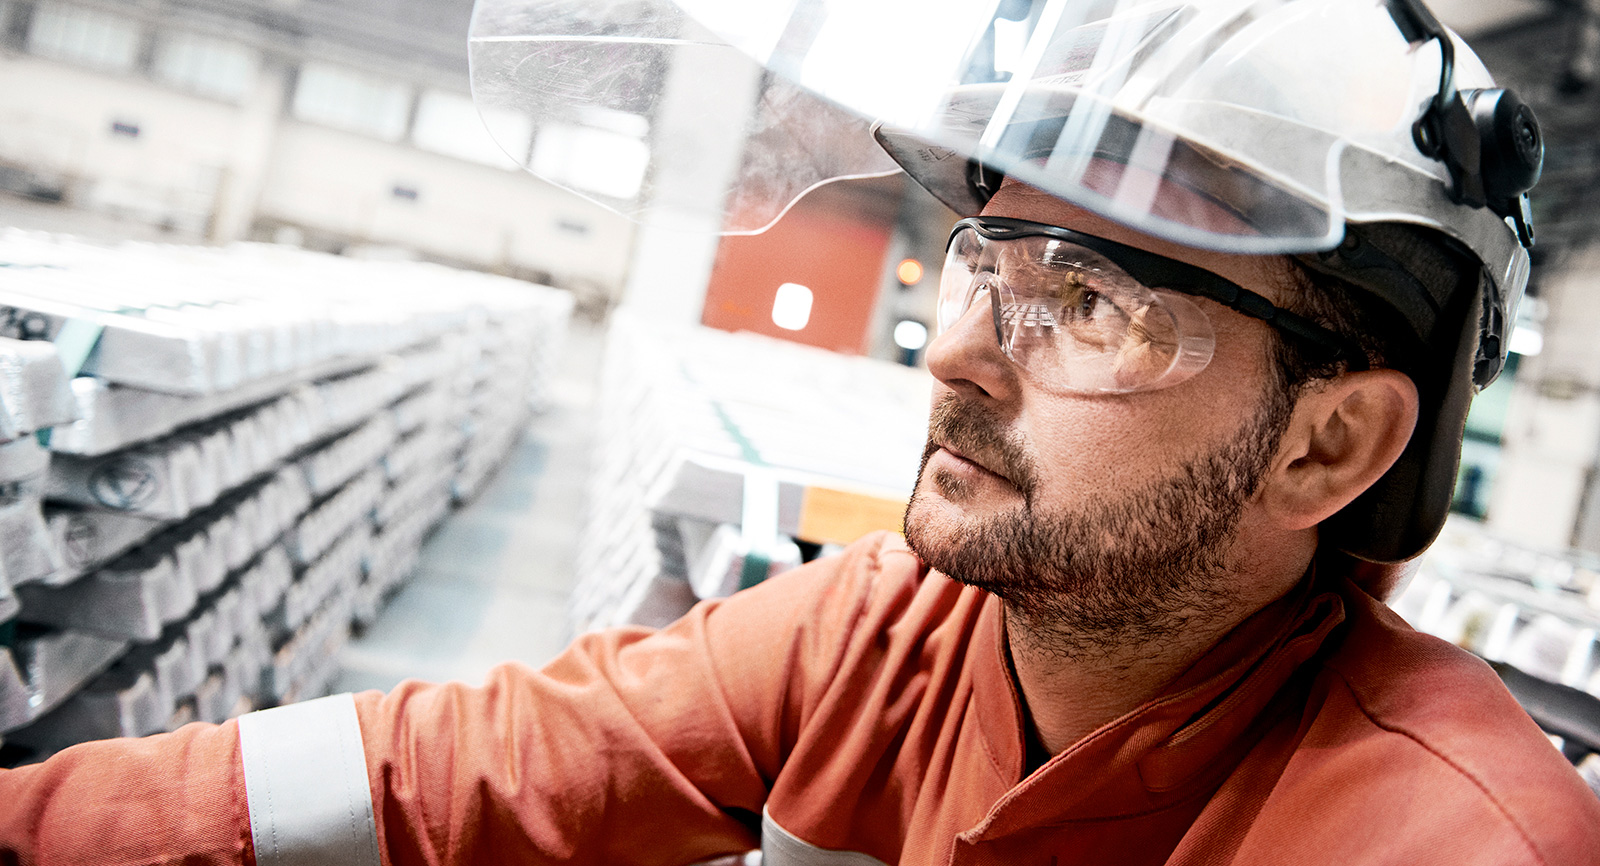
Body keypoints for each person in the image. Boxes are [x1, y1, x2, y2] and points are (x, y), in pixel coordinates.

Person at [4, 0, 1599, 862]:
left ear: (1329, 446)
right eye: (985, 263)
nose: (958, 354)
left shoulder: (1451, 841)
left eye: (1087, 301)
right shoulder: (883, 635)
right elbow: (439, 775)